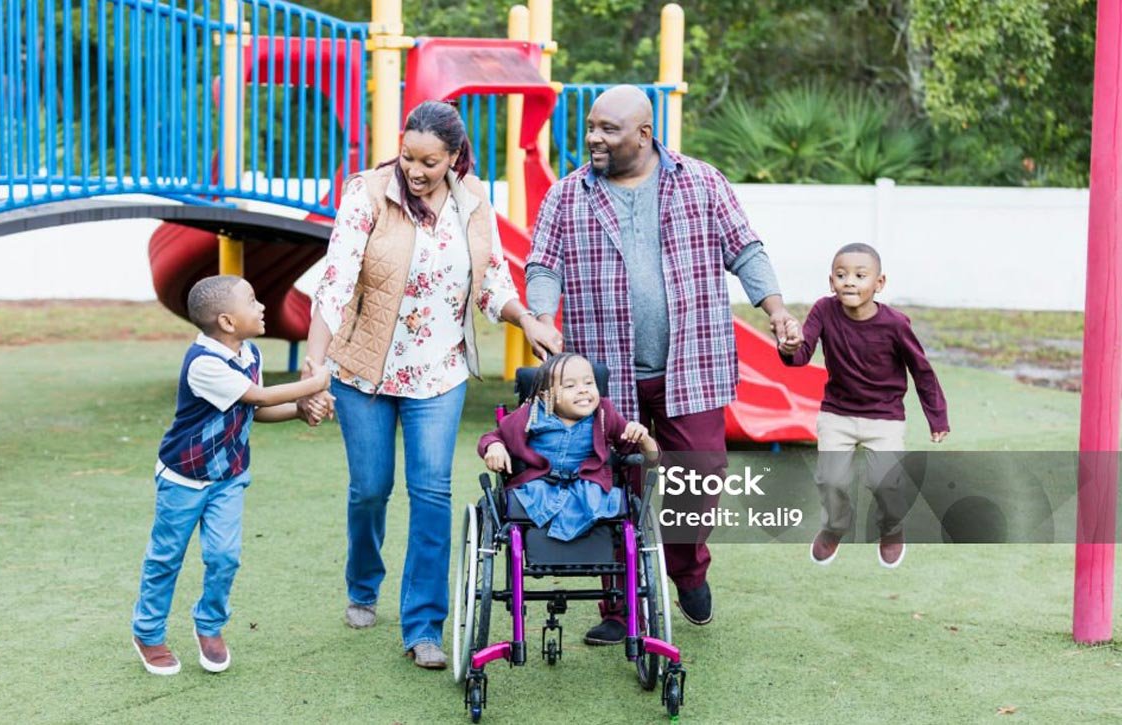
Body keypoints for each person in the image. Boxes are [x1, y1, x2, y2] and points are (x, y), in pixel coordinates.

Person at [526, 84, 801, 645]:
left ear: (644, 134)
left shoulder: (700, 181)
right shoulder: (568, 195)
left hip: (691, 365)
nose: (593, 138)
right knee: (609, 488)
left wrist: (774, 309)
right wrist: (538, 314)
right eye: (591, 127)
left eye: (608, 129)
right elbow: (542, 264)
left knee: (700, 479)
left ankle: (686, 570)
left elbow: (745, 250)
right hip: (602, 378)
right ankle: (619, 605)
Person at [300, 100, 561, 670]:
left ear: (454, 158)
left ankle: (424, 625)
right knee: (370, 488)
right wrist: (313, 366)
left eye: (430, 162)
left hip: (439, 371)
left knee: (432, 493)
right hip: (362, 370)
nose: (415, 171)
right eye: (408, 156)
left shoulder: (473, 205)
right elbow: (337, 279)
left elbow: (492, 284)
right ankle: (363, 583)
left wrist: (529, 320)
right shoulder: (366, 194)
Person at [131, 275, 331, 676]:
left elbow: (254, 411)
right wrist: (317, 381)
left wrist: (300, 410)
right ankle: (148, 632)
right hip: (183, 480)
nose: (261, 307)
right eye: (253, 300)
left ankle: (209, 625)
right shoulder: (204, 363)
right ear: (226, 320)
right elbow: (258, 396)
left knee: (224, 557)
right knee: (166, 558)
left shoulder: (249, 353)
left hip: (229, 478)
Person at [778, 243, 949, 569]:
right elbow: (800, 356)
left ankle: (891, 528)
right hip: (837, 414)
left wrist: (936, 416)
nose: (850, 282)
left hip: (884, 417)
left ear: (879, 283)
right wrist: (790, 345)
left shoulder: (896, 324)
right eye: (841, 275)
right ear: (831, 282)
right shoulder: (823, 311)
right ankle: (835, 527)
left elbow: (922, 370)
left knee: (886, 481)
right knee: (831, 480)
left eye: (860, 275)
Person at [478, 354, 659, 541]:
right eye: (570, 386)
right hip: (539, 488)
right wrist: (495, 447)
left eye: (589, 383)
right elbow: (492, 436)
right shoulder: (531, 415)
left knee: (608, 499)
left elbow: (653, 459)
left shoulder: (604, 414)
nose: (583, 391)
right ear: (546, 395)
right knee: (523, 499)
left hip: (588, 490)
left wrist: (644, 438)